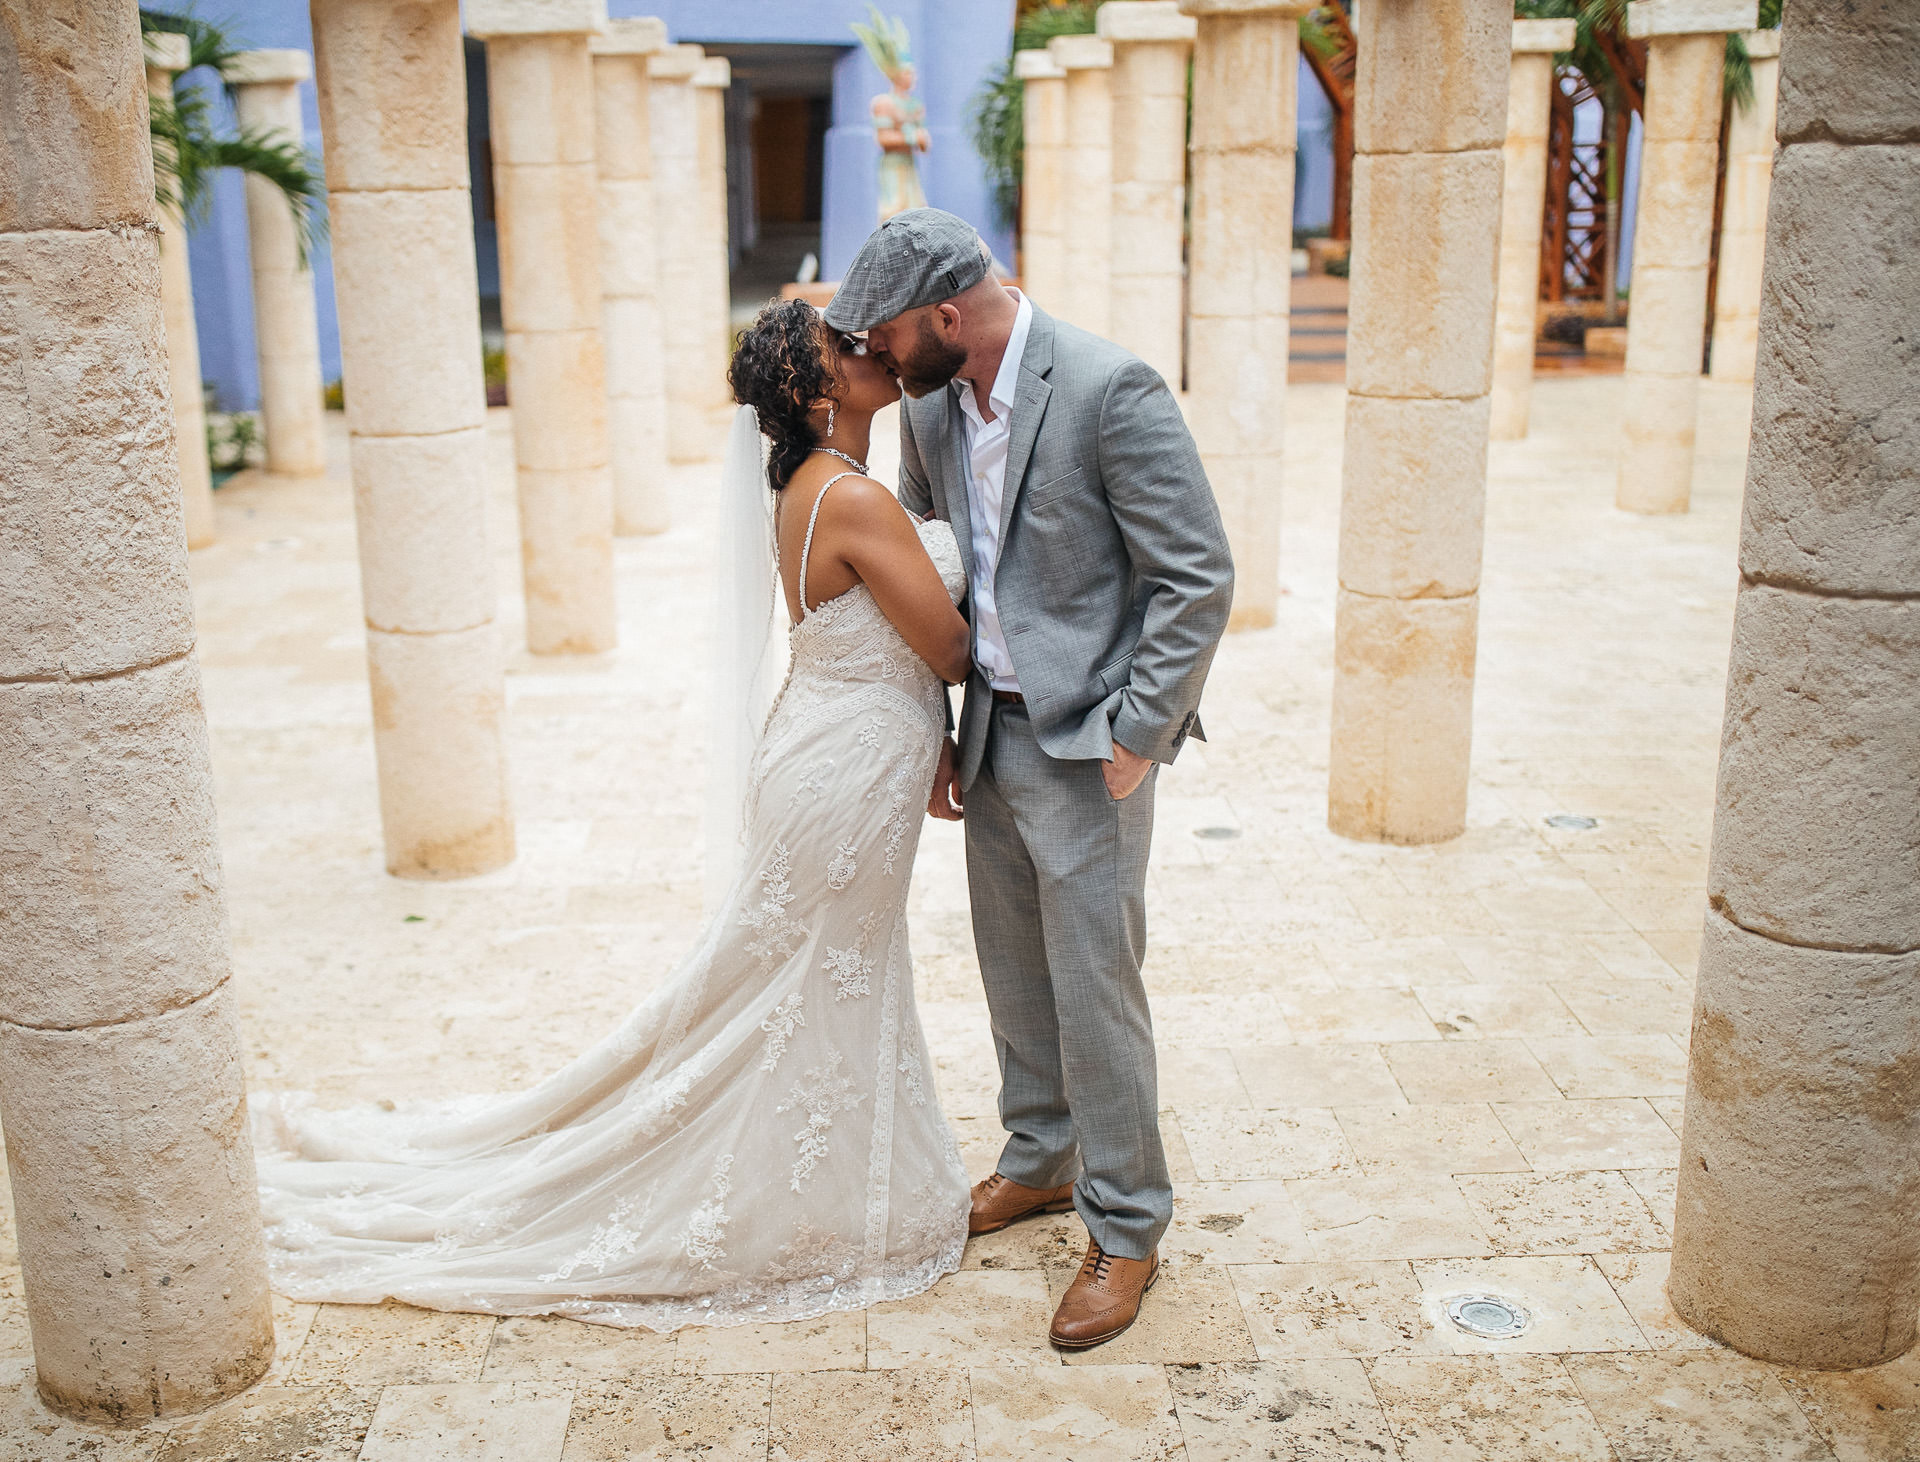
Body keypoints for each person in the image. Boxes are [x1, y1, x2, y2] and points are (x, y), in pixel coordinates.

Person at [249, 300, 977, 1332]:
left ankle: (844, 1183)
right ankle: (802, 1197)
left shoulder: (825, 486)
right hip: (843, 775)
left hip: (844, 757)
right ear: (819, 395)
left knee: (821, 981)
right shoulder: (848, 497)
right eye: (843, 350)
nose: (868, 352)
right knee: (810, 983)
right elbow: (946, 647)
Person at [824, 208, 1234, 1349]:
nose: (882, 359)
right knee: (1013, 968)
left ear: (948, 315)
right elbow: (939, 566)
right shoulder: (931, 406)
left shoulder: (1112, 388)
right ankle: (1042, 1159)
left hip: (1092, 745)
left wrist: (1139, 733)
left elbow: (1196, 574)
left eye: (892, 335)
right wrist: (940, 734)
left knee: (1095, 984)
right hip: (989, 732)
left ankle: (1128, 1223)